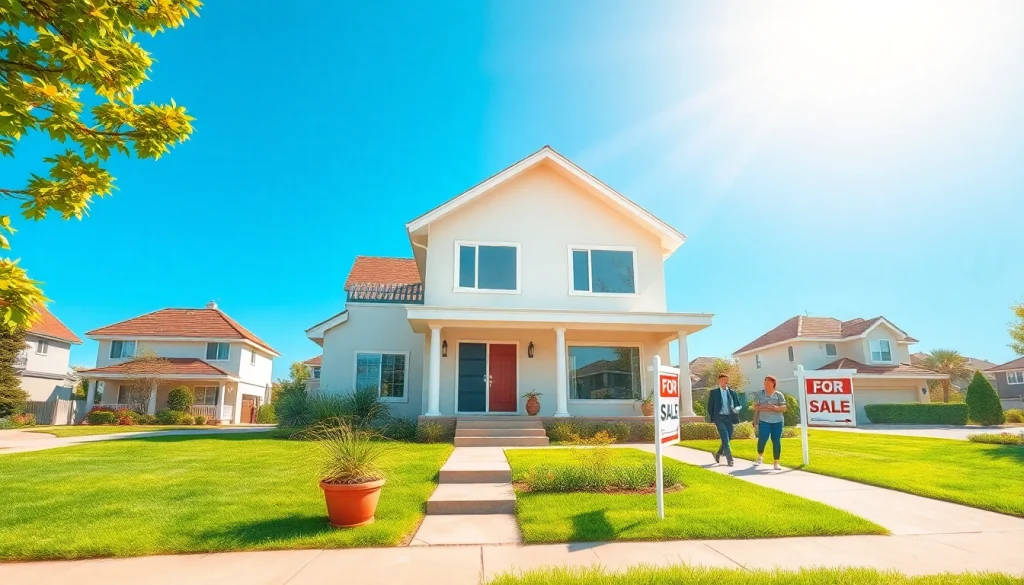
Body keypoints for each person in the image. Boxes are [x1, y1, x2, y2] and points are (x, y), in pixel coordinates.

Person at [753, 375, 787, 470]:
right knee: (762, 439)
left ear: (773, 383)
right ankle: (760, 457)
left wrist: (776, 408)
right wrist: (762, 407)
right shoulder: (760, 394)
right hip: (764, 421)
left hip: (777, 421)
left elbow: (784, 408)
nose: (765, 384)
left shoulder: (778, 395)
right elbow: (755, 407)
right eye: (765, 382)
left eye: (767, 382)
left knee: (776, 441)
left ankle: (776, 462)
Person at [707, 373, 741, 466]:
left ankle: (717, 454)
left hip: (729, 417)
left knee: (728, 438)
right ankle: (730, 459)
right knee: (725, 437)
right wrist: (712, 418)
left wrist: (736, 409)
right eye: (723, 380)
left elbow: (739, 405)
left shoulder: (732, 392)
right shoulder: (714, 392)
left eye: (726, 380)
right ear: (719, 381)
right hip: (719, 418)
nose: (725, 382)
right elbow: (710, 407)